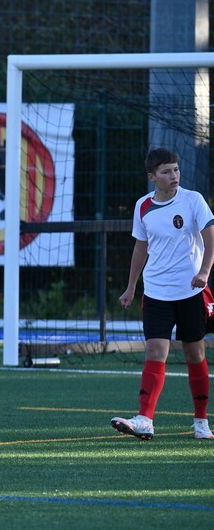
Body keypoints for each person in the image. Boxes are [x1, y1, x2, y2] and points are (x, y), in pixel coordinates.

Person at [112, 147, 214, 441]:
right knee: (155, 352)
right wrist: (131, 286)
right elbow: (140, 247)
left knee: (195, 354)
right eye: (166, 171)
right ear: (152, 176)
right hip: (156, 293)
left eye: (176, 170)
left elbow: (210, 240)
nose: (174, 175)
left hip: (190, 292)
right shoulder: (142, 206)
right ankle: (145, 420)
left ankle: (201, 423)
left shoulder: (193, 200)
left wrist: (204, 272)